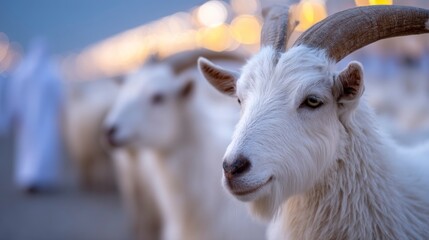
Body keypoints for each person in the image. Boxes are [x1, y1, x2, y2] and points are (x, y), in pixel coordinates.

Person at [8, 38, 64, 193]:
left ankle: (29, 178)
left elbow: (14, 94)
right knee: (44, 147)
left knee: (29, 148)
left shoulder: (23, 72)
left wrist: (15, 112)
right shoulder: (50, 73)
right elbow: (60, 95)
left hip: (28, 119)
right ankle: (41, 178)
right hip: (46, 119)